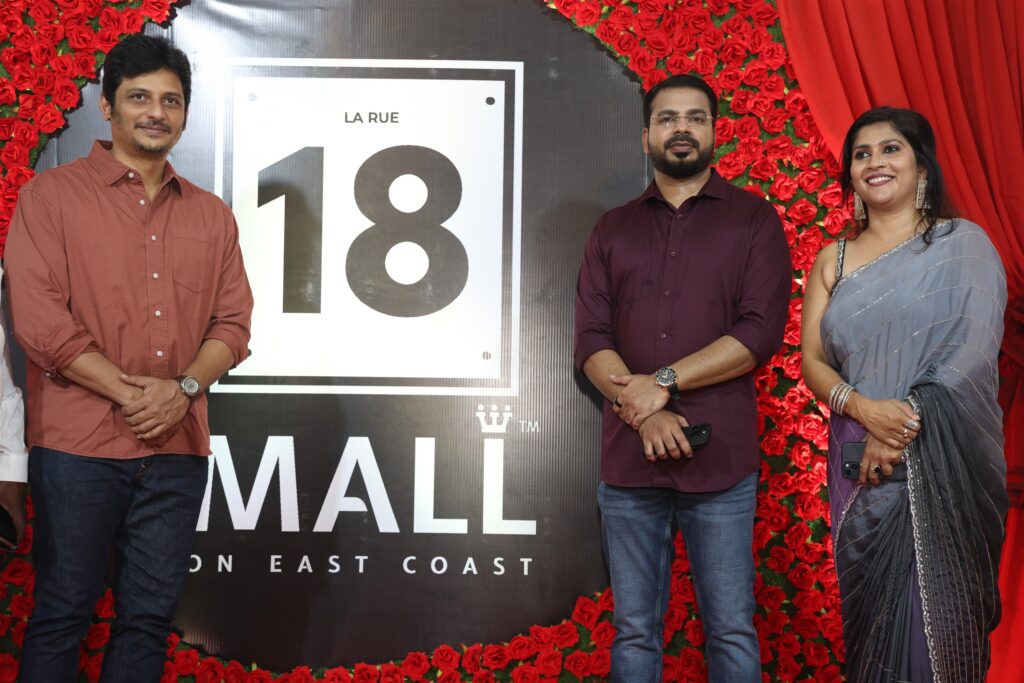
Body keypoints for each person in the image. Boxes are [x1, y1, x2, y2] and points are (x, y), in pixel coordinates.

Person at [4, 34, 253, 682]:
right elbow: (39, 323)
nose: (155, 112)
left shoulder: (212, 216)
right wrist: (138, 394)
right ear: (108, 107)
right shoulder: (50, 198)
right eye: (139, 97)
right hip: (78, 449)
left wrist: (184, 390)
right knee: (63, 612)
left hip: (176, 451)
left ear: (185, 114)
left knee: (147, 620)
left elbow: (233, 324)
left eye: (171, 100)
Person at [574, 73, 791, 682]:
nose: (682, 129)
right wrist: (646, 412)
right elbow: (591, 340)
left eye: (695, 117)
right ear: (646, 136)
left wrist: (663, 381)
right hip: (630, 463)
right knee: (634, 633)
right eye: (667, 118)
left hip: (720, 465)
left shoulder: (754, 221)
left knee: (731, 630)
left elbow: (757, 335)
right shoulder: (612, 229)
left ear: (715, 132)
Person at [801, 107, 1008, 682]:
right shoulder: (834, 259)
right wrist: (864, 409)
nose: (875, 162)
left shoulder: (963, 244)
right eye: (861, 154)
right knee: (873, 625)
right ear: (849, 173)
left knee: (938, 627)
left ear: (921, 165)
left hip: (944, 457)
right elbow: (812, 360)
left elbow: (973, 348)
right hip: (857, 462)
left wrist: (905, 423)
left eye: (890, 149)